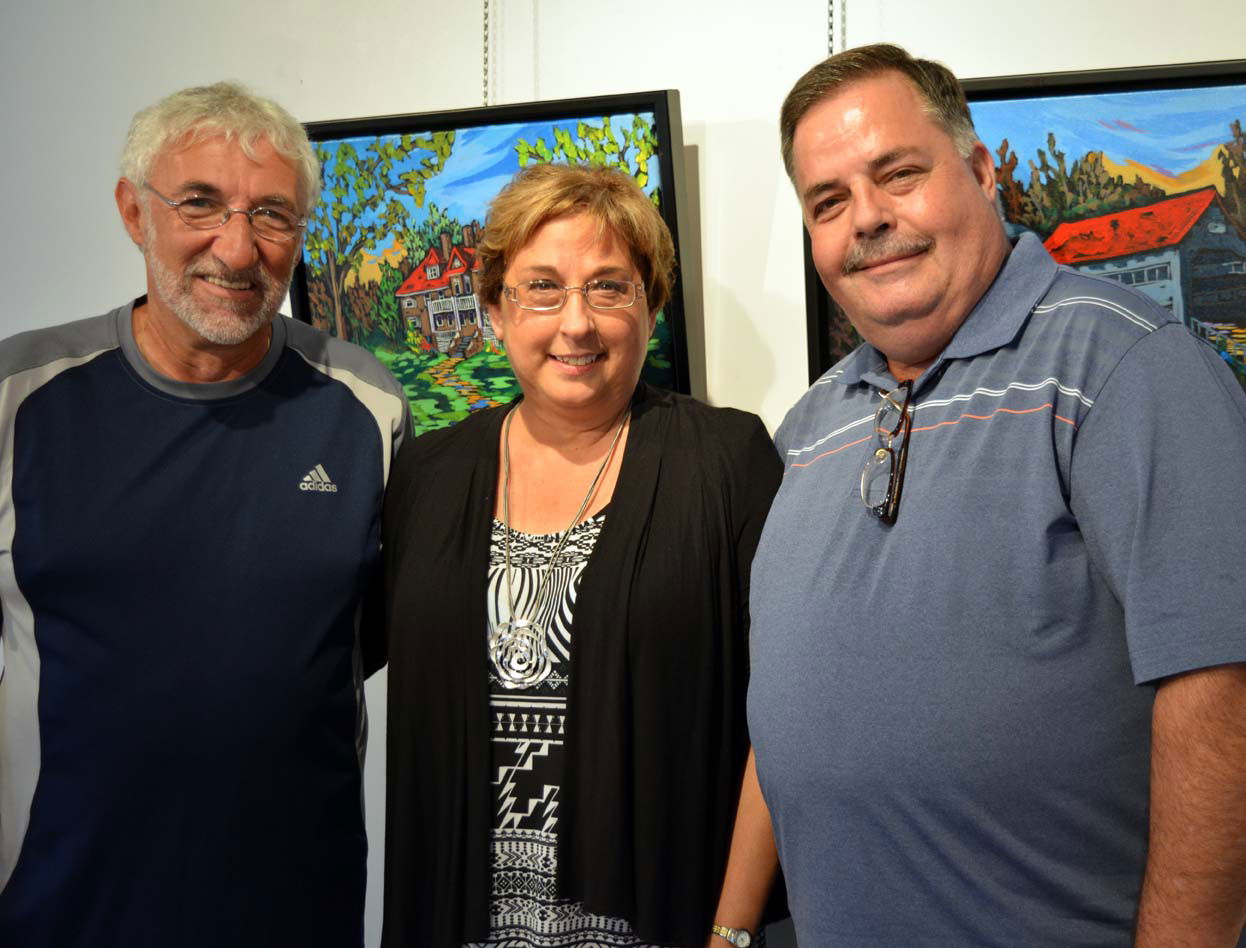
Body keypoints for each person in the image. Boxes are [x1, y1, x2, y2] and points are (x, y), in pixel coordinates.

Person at [748, 43, 1246, 947]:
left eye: (897, 174)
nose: (866, 219)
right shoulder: (808, 426)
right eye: (828, 202)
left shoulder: (1126, 366)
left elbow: (1227, 690)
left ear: (980, 172)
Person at [0, 82, 409, 947]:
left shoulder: (364, 403)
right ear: (132, 211)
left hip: (299, 910)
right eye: (200, 203)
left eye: (272, 215)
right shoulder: (19, 398)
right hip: (55, 906)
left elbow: (363, 634)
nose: (237, 246)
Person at [381, 163, 783, 948]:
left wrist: (732, 933)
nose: (576, 323)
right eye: (541, 288)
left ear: (651, 305)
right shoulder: (428, 476)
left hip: (662, 921)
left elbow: (786, 717)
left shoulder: (727, 462)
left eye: (608, 287)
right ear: (496, 309)